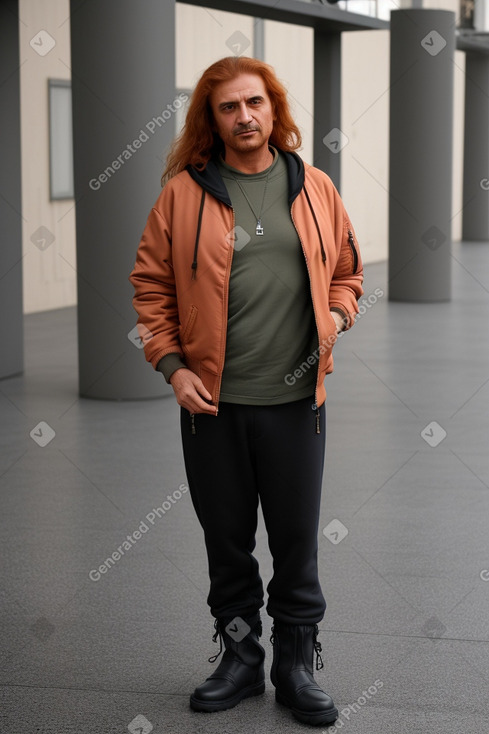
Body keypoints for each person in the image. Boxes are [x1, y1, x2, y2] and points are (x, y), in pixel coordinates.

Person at [129, 56, 363, 727]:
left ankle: (295, 663)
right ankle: (238, 659)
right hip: (213, 405)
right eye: (228, 107)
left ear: (273, 108)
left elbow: (347, 271)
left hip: (296, 402)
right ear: (212, 118)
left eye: (254, 103)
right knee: (226, 538)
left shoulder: (313, 186)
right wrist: (172, 365)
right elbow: (150, 287)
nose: (244, 117)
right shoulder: (183, 193)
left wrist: (338, 316)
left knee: (295, 538)